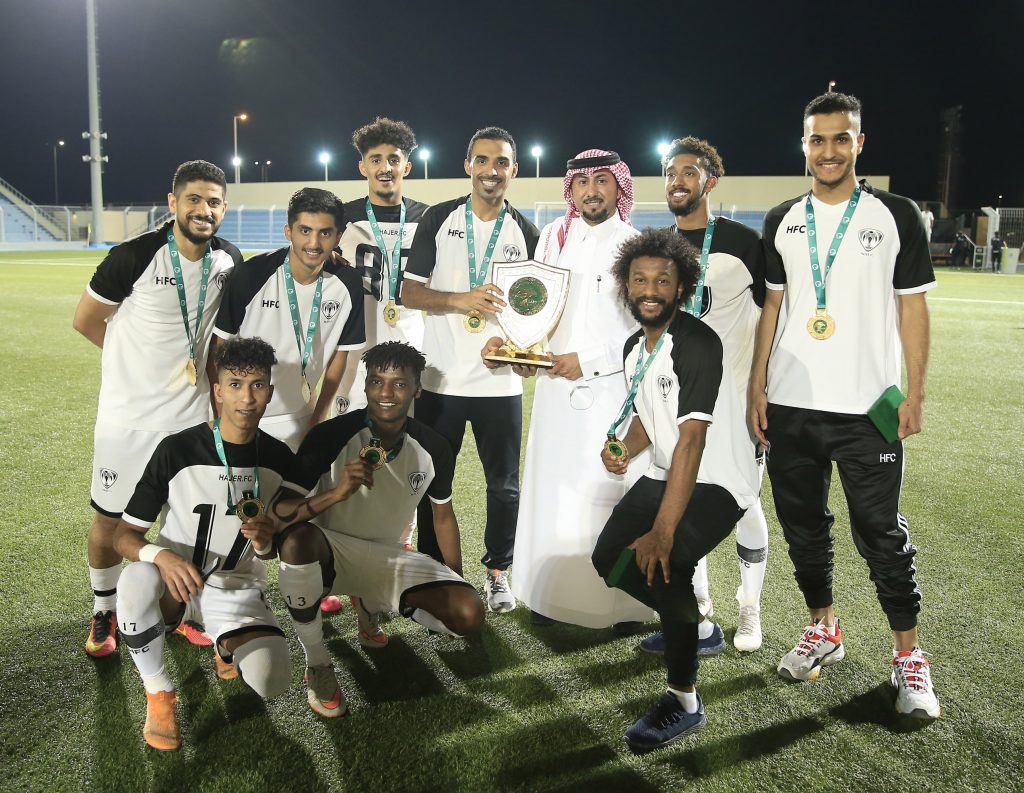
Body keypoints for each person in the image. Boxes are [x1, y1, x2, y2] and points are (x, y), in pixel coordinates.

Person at [749, 91, 940, 720]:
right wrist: (757, 385)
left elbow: (912, 306)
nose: (828, 151)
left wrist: (915, 392)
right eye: (817, 139)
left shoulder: (896, 214)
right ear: (803, 145)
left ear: (859, 142)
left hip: (869, 408)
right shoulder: (781, 218)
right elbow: (772, 306)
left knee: (881, 534)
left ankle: (909, 657)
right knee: (804, 527)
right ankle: (823, 627)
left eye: (840, 138)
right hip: (791, 405)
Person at [591, 228, 760, 753]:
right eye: (640, 279)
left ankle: (684, 700)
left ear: (682, 288)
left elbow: (692, 439)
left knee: (667, 563)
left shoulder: (698, 343)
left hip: (720, 478)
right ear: (626, 286)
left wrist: (663, 531)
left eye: (663, 280)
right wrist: (625, 448)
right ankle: (693, 626)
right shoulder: (633, 346)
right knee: (608, 558)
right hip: (668, 470)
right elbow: (651, 417)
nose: (650, 289)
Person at [73, 160, 243, 657]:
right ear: (173, 203)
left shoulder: (228, 260)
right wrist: (131, 367)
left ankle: (183, 611)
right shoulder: (133, 256)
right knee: (111, 522)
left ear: (224, 208)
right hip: (128, 421)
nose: (203, 209)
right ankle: (104, 609)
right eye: (194, 199)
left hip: (190, 419)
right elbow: (86, 321)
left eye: (214, 201)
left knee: (187, 523)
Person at [267, 342, 485, 717]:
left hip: (390, 556)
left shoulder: (434, 447)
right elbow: (280, 512)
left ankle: (371, 603)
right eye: (376, 381)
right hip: (329, 553)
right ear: (365, 385)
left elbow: (443, 517)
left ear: (417, 390)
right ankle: (317, 663)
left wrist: (456, 578)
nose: (386, 393)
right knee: (295, 540)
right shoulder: (330, 435)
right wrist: (337, 493)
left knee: (468, 614)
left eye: (399, 384)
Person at [482, 148, 650, 630]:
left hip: (612, 393)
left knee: (607, 493)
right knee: (554, 494)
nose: (591, 191)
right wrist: (521, 351)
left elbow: (644, 328)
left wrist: (589, 362)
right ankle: (551, 598)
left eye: (602, 181)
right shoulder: (553, 237)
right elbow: (533, 307)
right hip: (555, 392)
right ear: (571, 189)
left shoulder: (635, 244)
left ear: (618, 187)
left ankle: (623, 605)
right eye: (582, 182)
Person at [112, 337, 295, 751]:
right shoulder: (177, 448)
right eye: (235, 384)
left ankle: (222, 643)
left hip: (235, 585)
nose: (246, 397)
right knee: (135, 581)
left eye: (258, 385)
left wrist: (266, 544)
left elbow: (275, 550)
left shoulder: (281, 460)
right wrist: (162, 557)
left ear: (270, 391)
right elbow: (122, 536)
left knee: (272, 678)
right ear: (217, 391)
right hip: (174, 583)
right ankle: (159, 691)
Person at [638, 137, 769, 656]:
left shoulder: (743, 242)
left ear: (710, 181)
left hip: (734, 403)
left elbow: (772, 316)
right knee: (685, 499)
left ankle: (750, 607)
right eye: (671, 172)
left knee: (745, 503)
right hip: (678, 401)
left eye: (689, 172)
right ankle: (697, 608)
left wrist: (761, 387)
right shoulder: (657, 246)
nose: (678, 180)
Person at [403, 127, 539, 613]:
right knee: (430, 482)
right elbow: (409, 292)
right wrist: (461, 300)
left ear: (513, 170)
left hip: (499, 384)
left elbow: (533, 311)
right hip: (439, 380)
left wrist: (518, 350)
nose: (491, 170)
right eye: (482, 160)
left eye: (501, 162)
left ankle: (498, 571)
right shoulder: (438, 218)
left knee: (504, 487)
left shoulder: (527, 232)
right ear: (468, 166)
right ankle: (432, 571)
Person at [213, 187, 365, 452]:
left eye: (325, 233)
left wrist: (318, 420)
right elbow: (218, 348)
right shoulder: (252, 274)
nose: (314, 243)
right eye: (305, 230)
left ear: (338, 237)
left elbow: (339, 357)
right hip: (243, 417)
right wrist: (222, 417)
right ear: (288, 232)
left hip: (303, 418)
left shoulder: (348, 283)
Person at [335, 117, 430, 416]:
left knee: (406, 434)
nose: (385, 168)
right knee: (351, 435)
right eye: (375, 159)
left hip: (411, 342)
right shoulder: (341, 217)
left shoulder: (428, 219)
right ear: (363, 167)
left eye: (393, 159)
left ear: (407, 167)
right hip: (354, 349)